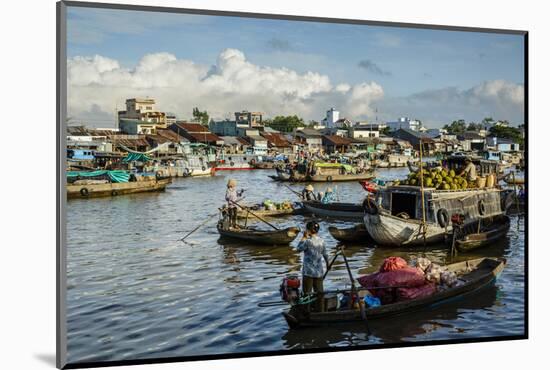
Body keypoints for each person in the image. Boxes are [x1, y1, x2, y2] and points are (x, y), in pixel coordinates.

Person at [296, 221, 329, 312]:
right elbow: (325, 254)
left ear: (309, 230)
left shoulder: (307, 241)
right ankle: (320, 311)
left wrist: (303, 237)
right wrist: (328, 264)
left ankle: (306, 312)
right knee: (319, 294)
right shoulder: (322, 241)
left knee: (307, 294)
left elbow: (298, 249)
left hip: (308, 273)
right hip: (319, 272)